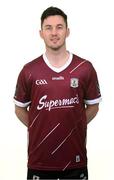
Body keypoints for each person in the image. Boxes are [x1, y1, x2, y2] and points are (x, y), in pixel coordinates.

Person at [14, 6, 101, 180]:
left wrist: (73, 124)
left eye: (59, 27)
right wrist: (40, 126)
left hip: (75, 160)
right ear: (41, 33)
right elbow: (19, 109)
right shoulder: (29, 71)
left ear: (67, 31)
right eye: (49, 27)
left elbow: (94, 106)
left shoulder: (84, 68)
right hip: (39, 161)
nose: (54, 33)